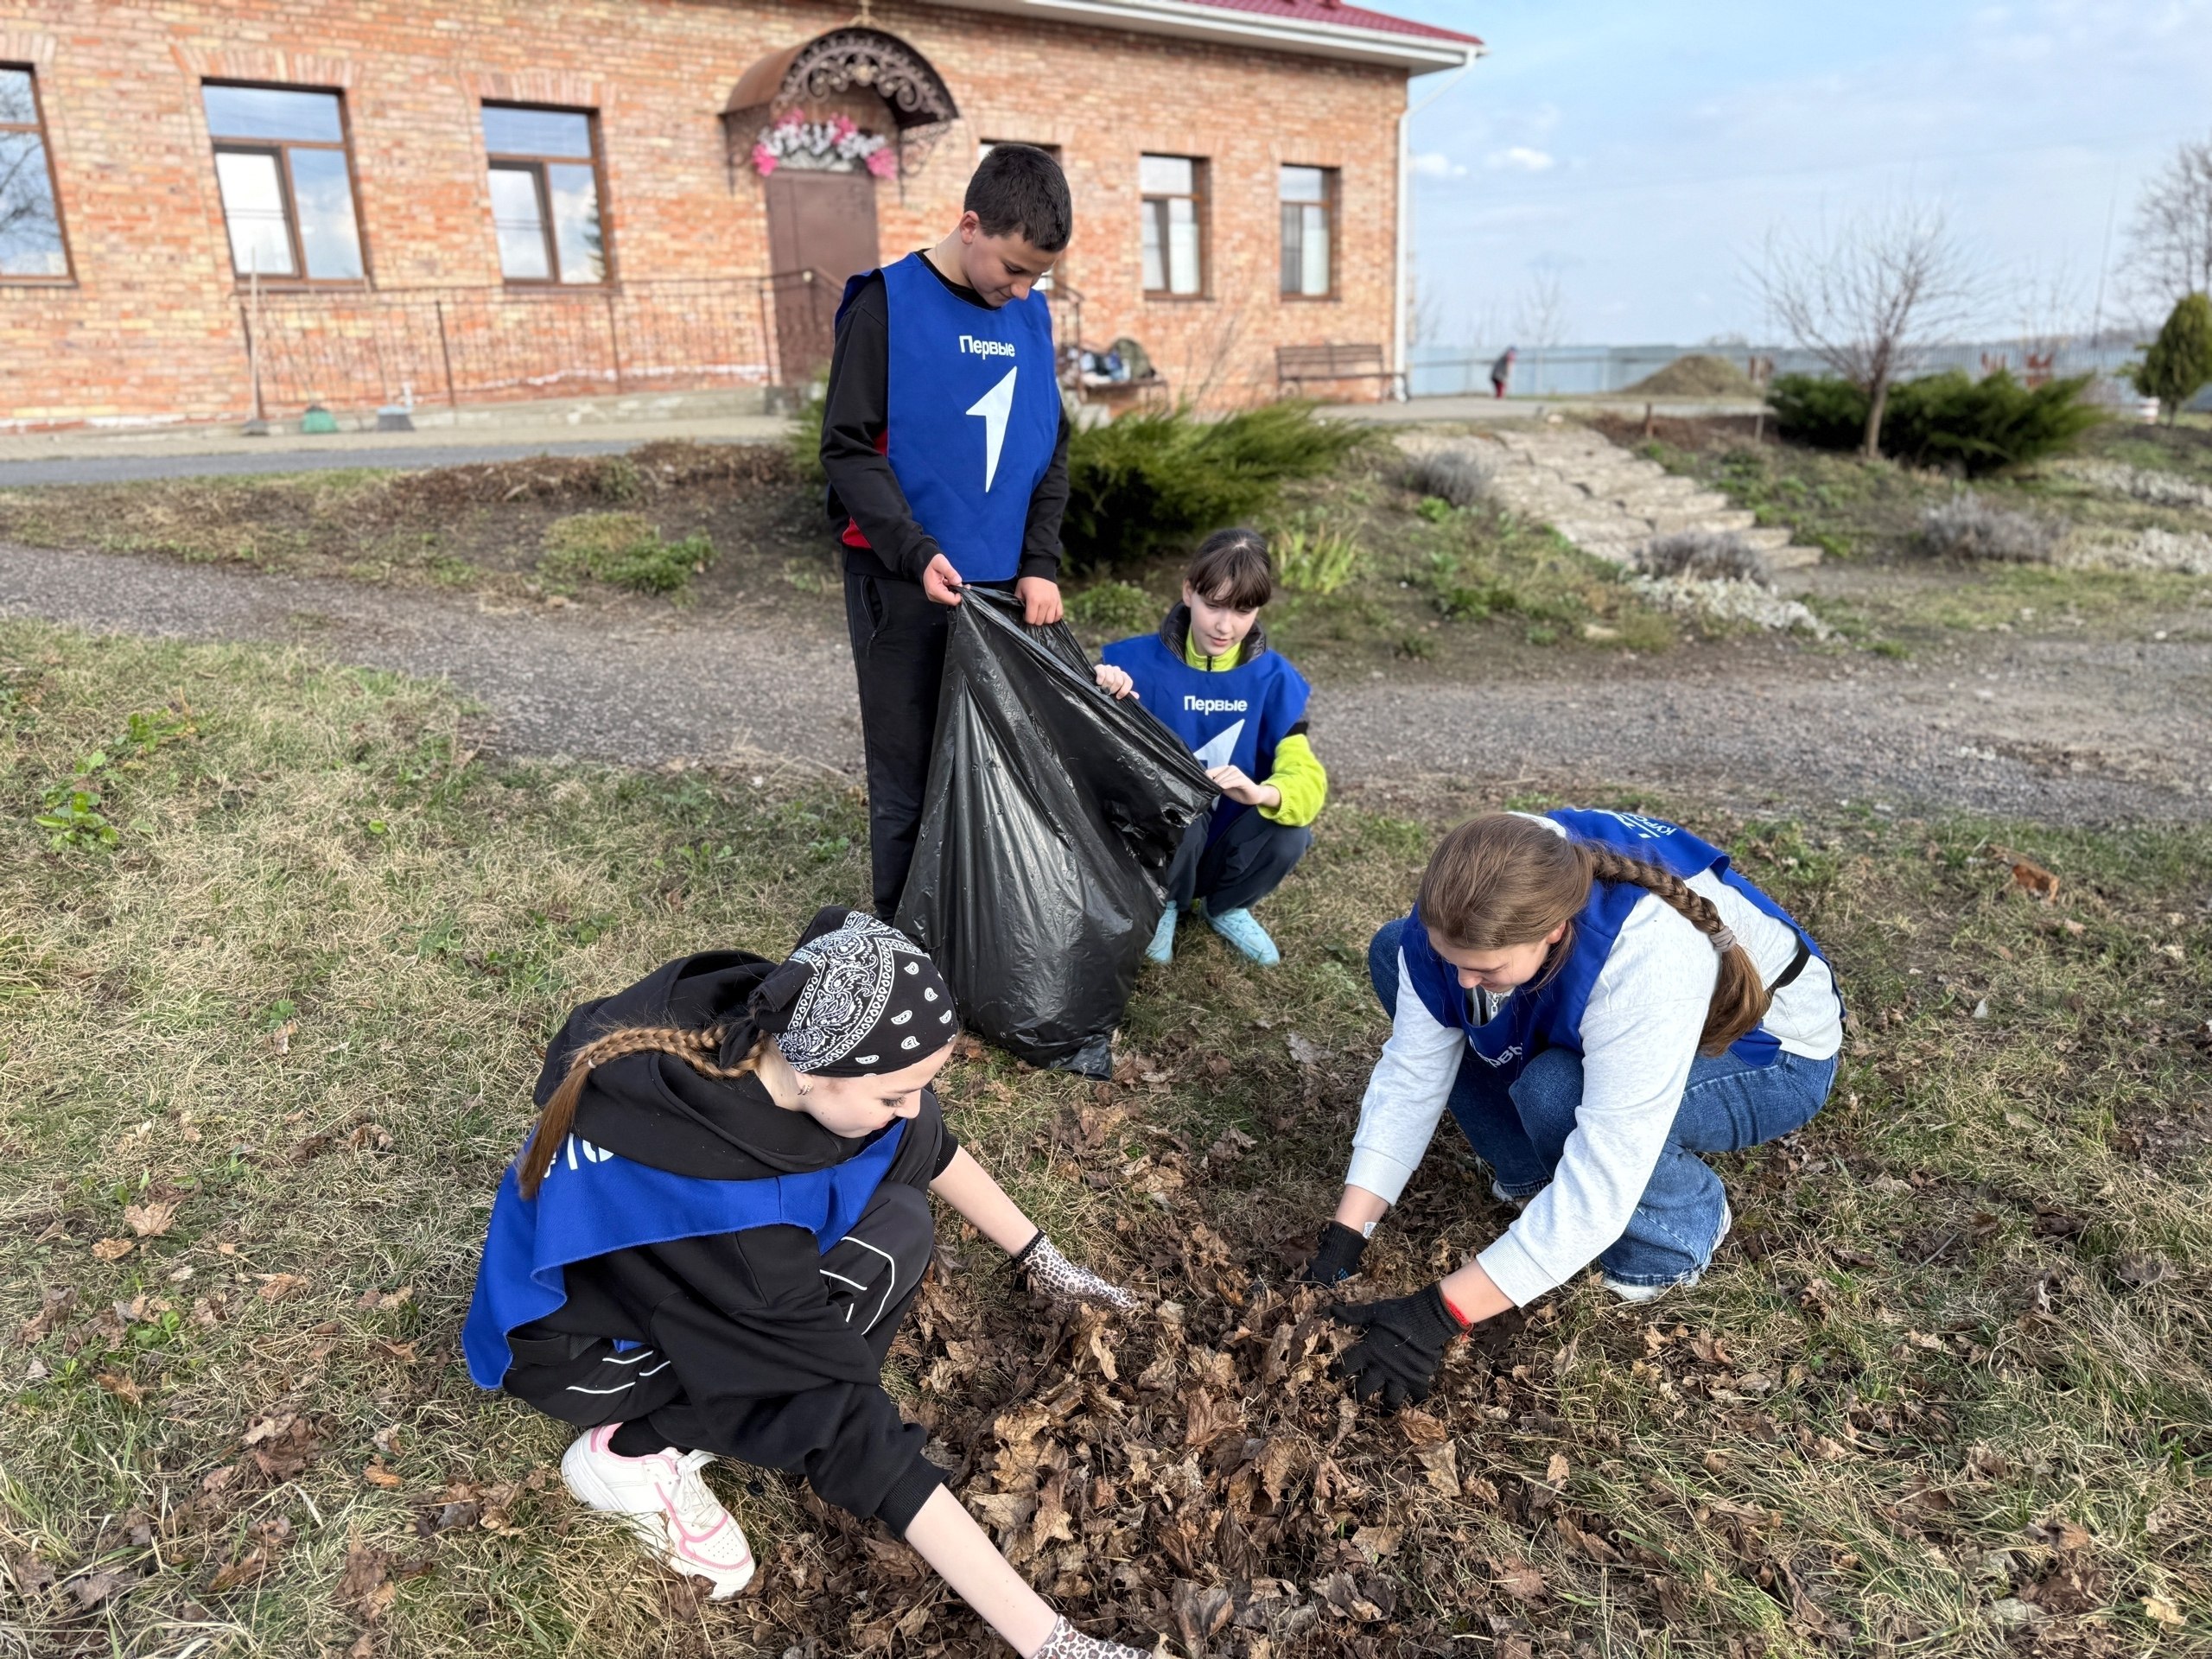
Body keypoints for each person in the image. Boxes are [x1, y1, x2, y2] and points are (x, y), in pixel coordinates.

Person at [464, 907, 1152, 1658]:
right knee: (806, 1378)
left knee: (899, 1225)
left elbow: (925, 1143)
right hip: (592, 1354)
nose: (912, 1108)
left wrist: (1047, 1263)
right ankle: (631, 1454)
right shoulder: (726, 1219)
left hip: (669, 1274)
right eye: (894, 1093)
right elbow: (847, 1422)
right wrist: (1056, 1643)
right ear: (814, 1071)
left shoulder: (765, 1021)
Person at [1304, 810, 1841, 1411]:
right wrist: (1346, 1237)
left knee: (1555, 1091)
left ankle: (1680, 1229)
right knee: (1394, 951)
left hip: (1770, 1054)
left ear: (1554, 931)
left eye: (1484, 968)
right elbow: (1412, 1075)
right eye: (1456, 960)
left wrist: (1439, 1312)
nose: (1463, 979)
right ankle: (1535, 1179)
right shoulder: (1476, 886)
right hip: (1611, 1006)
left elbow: (1603, 1178)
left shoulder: (1647, 950)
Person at [822, 144, 1073, 919]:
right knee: (909, 773)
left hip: (1002, 590)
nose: (1024, 290)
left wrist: (1038, 562)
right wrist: (914, 548)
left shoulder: (1028, 314)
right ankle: (910, 949)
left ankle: (982, 926)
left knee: (994, 762)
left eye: (1039, 276)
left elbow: (1049, 445)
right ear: (970, 226)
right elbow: (848, 448)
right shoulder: (885, 305)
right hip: (901, 585)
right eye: (1013, 269)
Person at [1092, 528, 1326, 968]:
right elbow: (1092, 755)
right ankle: (1165, 903)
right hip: (1157, 840)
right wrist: (1103, 692)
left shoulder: (1274, 679)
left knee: (1292, 829)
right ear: (1188, 592)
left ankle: (1226, 906)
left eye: (1243, 610)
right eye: (1213, 605)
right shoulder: (1135, 664)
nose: (1225, 626)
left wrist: (1263, 794)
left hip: (1228, 835)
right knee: (1184, 805)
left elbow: (1306, 777)